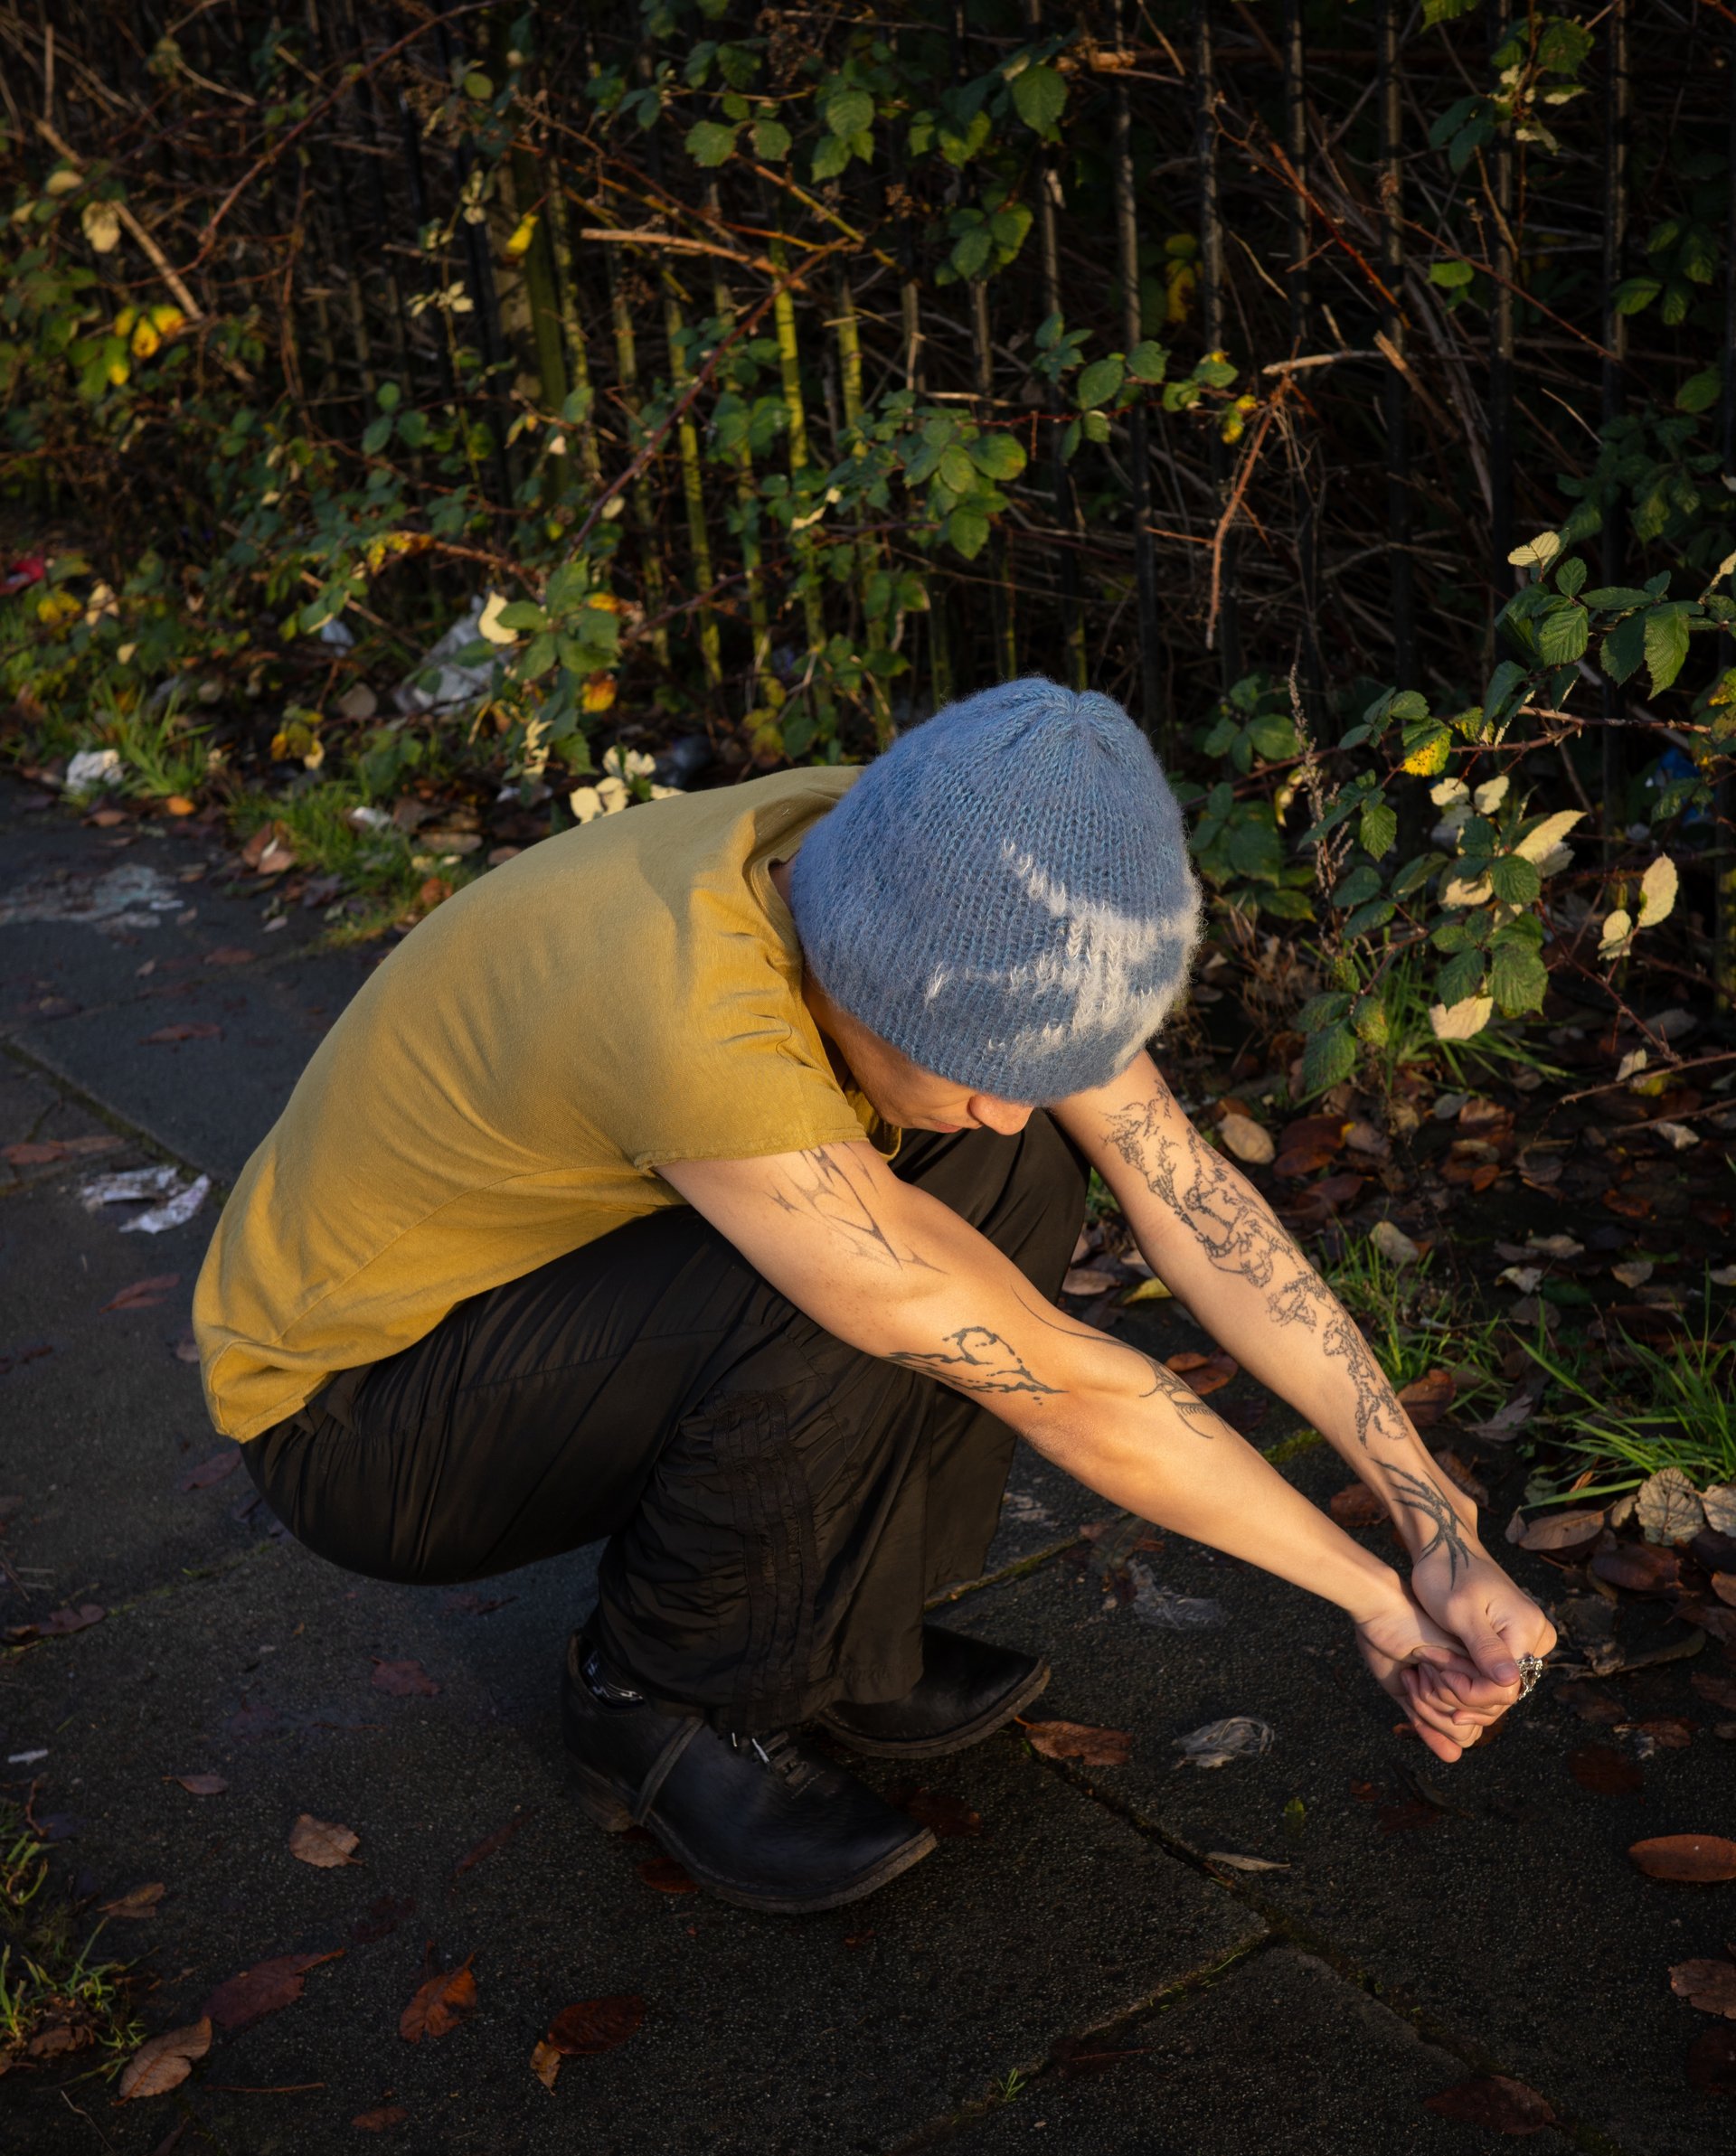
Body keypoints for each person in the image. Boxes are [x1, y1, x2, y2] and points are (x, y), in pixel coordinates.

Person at [193, 679, 1555, 1915]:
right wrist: (1374, 1599)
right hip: (360, 1414)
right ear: (860, 975)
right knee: (848, 1280)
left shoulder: (920, 862)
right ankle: (652, 1699)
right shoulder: (690, 1006)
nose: (1012, 1102)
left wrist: (1435, 1519)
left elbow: (1190, 1197)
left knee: (1009, 1171)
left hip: (546, 1300)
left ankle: (845, 1636)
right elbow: (1075, 1391)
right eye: (982, 1067)